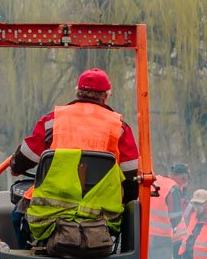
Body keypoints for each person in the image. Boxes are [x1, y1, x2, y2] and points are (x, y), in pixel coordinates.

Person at [12, 69, 140, 249]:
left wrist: (15, 166)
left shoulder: (53, 120)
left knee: (17, 216)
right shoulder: (119, 127)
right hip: (102, 215)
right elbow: (132, 174)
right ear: (105, 96)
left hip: (49, 211)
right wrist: (125, 202)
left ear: (78, 91)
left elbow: (27, 155)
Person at [149, 163, 189, 259]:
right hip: (161, 237)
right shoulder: (173, 188)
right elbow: (175, 218)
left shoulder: (155, 180)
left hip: (143, 234)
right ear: (183, 178)